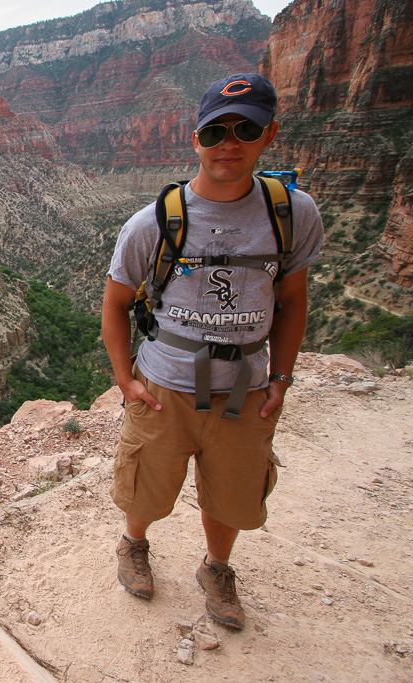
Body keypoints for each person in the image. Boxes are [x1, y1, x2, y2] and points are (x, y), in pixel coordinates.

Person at [101, 73, 323, 629]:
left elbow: (292, 303)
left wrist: (283, 378)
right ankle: (133, 543)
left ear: (268, 134)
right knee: (146, 487)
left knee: (233, 496)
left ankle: (216, 568)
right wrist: (126, 380)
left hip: (246, 388)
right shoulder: (151, 224)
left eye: (245, 128)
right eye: (215, 130)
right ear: (194, 138)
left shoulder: (293, 214)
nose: (230, 141)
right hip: (164, 386)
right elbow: (115, 304)